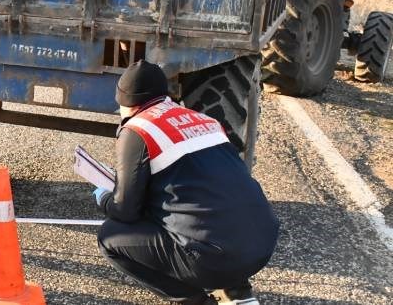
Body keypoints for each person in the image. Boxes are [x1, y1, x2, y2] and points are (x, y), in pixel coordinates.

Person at [94, 61, 279, 305]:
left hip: (213, 259)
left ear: (124, 101)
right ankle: (239, 293)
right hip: (262, 245)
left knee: (109, 237)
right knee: (209, 208)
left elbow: (126, 210)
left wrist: (103, 197)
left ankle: (195, 301)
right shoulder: (203, 120)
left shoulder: (138, 129)